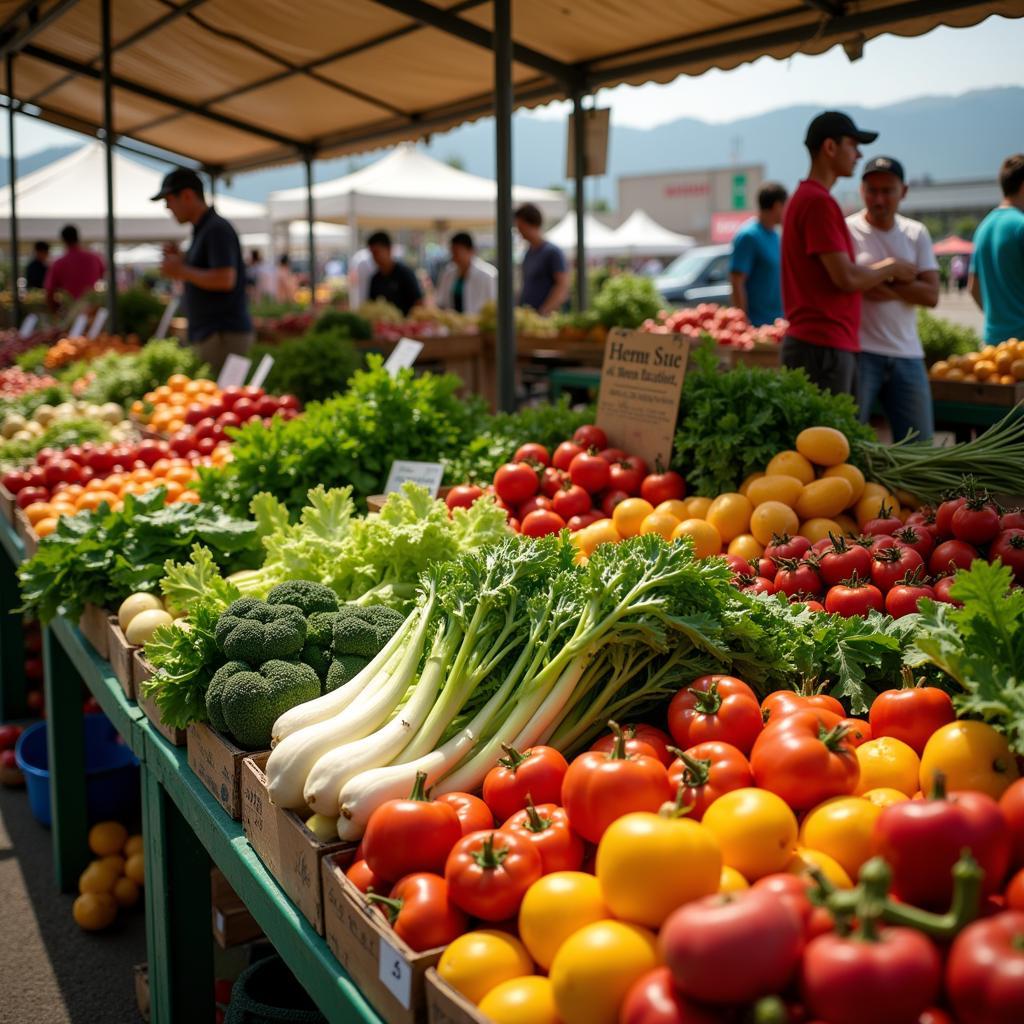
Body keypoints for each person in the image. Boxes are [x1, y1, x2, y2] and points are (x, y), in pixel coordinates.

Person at [781, 111, 918, 395]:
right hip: (823, 347)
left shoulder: (807, 198)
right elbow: (846, 278)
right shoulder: (818, 202)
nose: (858, 154)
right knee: (830, 437)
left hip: (819, 345)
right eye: (853, 145)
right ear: (830, 148)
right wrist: (891, 267)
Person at [846, 157, 940, 442]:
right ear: (861, 191)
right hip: (861, 352)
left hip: (907, 354)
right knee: (850, 444)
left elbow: (931, 295)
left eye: (887, 190)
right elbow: (848, 282)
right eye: (872, 190)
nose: (879, 198)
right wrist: (895, 272)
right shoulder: (847, 230)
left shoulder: (915, 233)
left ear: (904, 191)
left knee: (919, 445)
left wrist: (878, 282)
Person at [151, 167, 252, 372]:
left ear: (187, 195)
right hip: (214, 334)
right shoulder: (204, 229)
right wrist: (182, 261)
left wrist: (181, 270)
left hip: (222, 335)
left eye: (169, 200)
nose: (167, 207)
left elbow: (225, 279)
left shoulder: (216, 229)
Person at [969, 154, 1024, 344]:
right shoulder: (1021, 225)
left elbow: (973, 286)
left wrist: (1001, 319)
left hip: (994, 344)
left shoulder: (984, 227)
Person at [730, 182, 788, 326]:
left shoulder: (776, 236)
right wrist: (743, 322)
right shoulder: (748, 236)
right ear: (777, 206)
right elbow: (737, 281)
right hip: (756, 324)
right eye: (786, 206)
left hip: (778, 322)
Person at [515, 203, 568, 314]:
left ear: (532, 224)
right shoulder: (528, 253)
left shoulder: (552, 252)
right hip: (529, 317)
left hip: (545, 320)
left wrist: (544, 311)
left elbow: (562, 286)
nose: (519, 232)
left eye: (521, 227)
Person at [44, 225, 105, 310]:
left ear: (63, 240)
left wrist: (55, 310)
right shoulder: (94, 258)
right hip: (92, 311)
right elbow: (103, 276)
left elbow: (49, 292)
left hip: (70, 311)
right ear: (77, 237)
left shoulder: (58, 263)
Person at [435, 232, 497, 315]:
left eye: (457, 253)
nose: (454, 257)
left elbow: (493, 304)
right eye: (453, 253)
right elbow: (441, 302)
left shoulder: (487, 274)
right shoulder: (448, 273)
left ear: (470, 251)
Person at [367, 231, 422, 315]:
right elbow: (371, 304)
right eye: (372, 253)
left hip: (406, 325)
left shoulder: (405, 274)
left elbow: (418, 302)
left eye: (377, 252)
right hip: (382, 326)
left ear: (389, 249)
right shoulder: (375, 278)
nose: (374, 257)